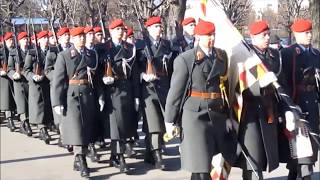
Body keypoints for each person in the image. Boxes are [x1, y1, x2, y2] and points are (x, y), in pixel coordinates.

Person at [165, 19, 237, 180]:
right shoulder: (186, 59)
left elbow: (223, 87)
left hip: (217, 114)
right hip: (195, 117)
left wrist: (227, 116)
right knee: (201, 165)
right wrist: (169, 121)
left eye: (213, 35)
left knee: (210, 164)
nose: (211, 39)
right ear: (198, 36)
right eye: (207, 35)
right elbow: (176, 92)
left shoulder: (221, 56)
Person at [51, 27, 98, 177]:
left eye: (83, 36)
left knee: (86, 129)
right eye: (78, 37)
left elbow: (95, 77)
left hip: (88, 94)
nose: (82, 39)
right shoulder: (64, 55)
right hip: (72, 96)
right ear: (72, 39)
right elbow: (58, 81)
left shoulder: (91, 54)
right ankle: (82, 159)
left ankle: (78, 159)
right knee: (77, 128)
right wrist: (57, 102)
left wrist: (100, 96)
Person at [281, 19, 320, 180]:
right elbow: (284, 82)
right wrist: (288, 108)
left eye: (310, 32)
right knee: (303, 150)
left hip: (313, 103)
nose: (310, 35)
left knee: (311, 146)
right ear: (296, 34)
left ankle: (294, 174)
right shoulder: (289, 53)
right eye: (306, 32)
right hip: (297, 104)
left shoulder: (316, 54)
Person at [136, 16, 175, 169]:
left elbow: (171, 67)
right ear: (149, 29)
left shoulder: (167, 44)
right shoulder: (140, 44)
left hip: (164, 86)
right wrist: (142, 75)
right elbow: (135, 67)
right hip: (148, 89)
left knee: (162, 120)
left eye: (160, 26)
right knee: (153, 123)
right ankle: (157, 154)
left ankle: (149, 152)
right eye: (156, 26)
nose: (160, 29)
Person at [24, 30, 53, 144]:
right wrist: (33, 77)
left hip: (48, 82)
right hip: (37, 85)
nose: (46, 40)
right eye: (43, 38)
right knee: (39, 107)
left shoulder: (52, 51)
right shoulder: (31, 53)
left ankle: (49, 125)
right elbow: (26, 70)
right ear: (38, 41)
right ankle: (43, 129)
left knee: (48, 107)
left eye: (47, 38)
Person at [7, 31, 32, 136]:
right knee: (21, 102)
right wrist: (13, 75)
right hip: (19, 80)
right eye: (23, 39)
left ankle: (29, 121)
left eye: (27, 39)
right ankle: (24, 122)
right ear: (19, 41)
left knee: (30, 101)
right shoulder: (13, 52)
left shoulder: (31, 51)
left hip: (29, 80)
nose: (26, 41)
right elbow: (9, 68)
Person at [0, 32, 16, 132]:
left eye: (12, 40)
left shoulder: (15, 51)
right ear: (5, 41)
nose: (12, 42)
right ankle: (9, 118)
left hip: (14, 76)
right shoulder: (2, 51)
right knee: (6, 99)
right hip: (4, 77)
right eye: (9, 40)